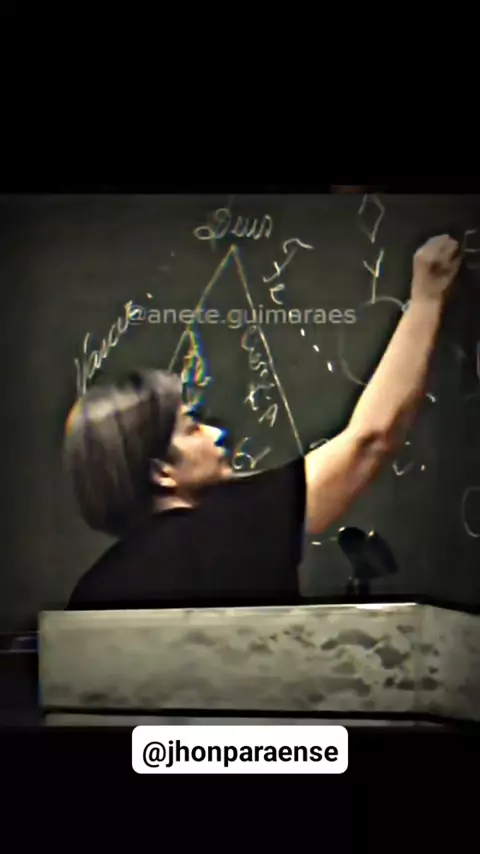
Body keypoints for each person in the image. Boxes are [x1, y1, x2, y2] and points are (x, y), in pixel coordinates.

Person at [64, 235, 461, 610]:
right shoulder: (233, 527)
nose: (217, 432)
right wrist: (427, 298)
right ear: (162, 472)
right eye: (192, 427)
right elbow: (370, 441)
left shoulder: (92, 591)